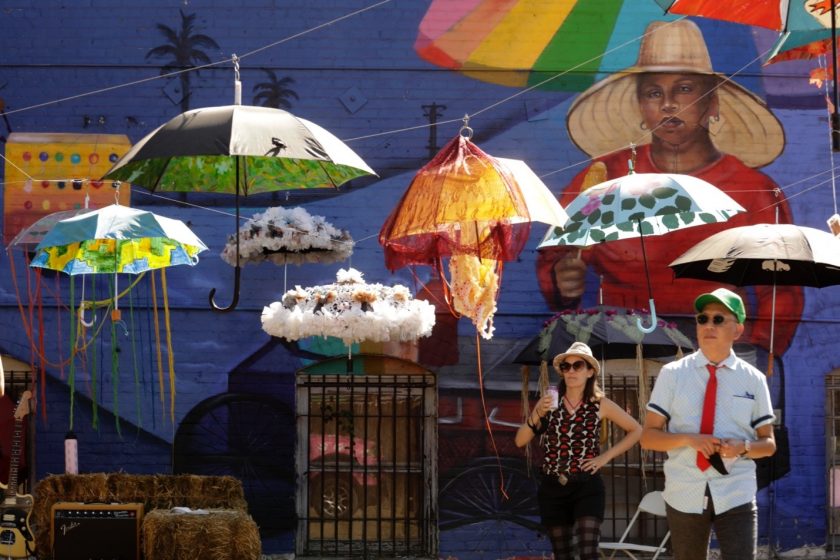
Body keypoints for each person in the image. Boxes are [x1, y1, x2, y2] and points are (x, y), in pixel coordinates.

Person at [536, 19, 803, 358]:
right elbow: (556, 254)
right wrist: (562, 281)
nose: (668, 104)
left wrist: (755, 355)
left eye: (685, 89)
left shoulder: (754, 190)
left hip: (715, 352)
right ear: (641, 109)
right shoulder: (606, 176)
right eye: (654, 93)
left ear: (713, 104)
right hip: (619, 350)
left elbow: (783, 290)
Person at [641, 288, 777, 559]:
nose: (708, 325)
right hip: (684, 490)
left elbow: (769, 444)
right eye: (702, 319)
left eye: (718, 319)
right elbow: (648, 437)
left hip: (736, 491)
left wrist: (743, 446)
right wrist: (690, 439)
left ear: (737, 330)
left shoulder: (754, 379)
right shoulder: (672, 374)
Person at [515, 341, 642, 560]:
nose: (571, 371)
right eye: (566, 366)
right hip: (553, 486)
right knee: (563, 554)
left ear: (590, 371)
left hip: (586, 485)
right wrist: (538, 414)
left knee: (588, 551)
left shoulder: (600, 404)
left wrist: (604, 457)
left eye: (578, 365)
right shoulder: (549, 402)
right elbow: (520, 440)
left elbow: (636, 430)